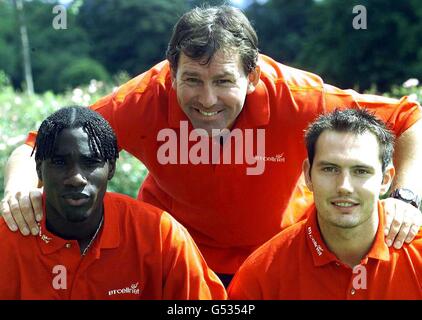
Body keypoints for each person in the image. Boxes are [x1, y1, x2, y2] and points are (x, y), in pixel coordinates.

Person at [2, 5, 422, 284]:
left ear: (254, 77)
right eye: (192, 80)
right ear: (171, 73)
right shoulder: (142, 100)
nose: (207, 100)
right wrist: (20, 188)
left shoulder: (295, 97)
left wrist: (406, 196)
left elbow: (409, 120)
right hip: (175, 265)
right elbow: (37, 142)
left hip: (278, 261)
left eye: (224, 81)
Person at [0, 106, 227, 299]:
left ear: (111, 168)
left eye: (91, 162)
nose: (76, 177)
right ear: (39, 167)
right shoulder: (7, 238)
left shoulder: (160, 236)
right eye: (60, 162)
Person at [228, 109, 422, 299]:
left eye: (361, 171)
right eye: (330, 169)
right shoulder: (261, 275)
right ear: (308, 175)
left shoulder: (417, 254)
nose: (344, 187)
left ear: (386, 180)